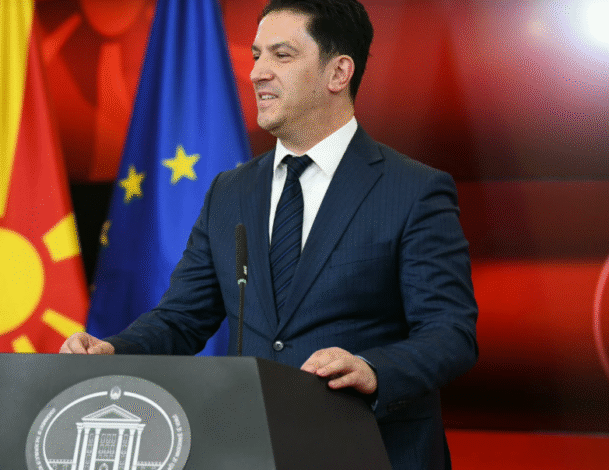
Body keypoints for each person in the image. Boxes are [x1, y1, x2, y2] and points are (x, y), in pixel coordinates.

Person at [61, 1, 478, 468]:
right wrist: (114, 348)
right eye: (257, 55)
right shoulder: (230, 191)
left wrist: (373, 369)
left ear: (338, 73)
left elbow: (451, 333)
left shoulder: (413, 190)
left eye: (282, 55)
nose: (257, 72)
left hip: (374, 451)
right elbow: (182, 318)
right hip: (255, 451)